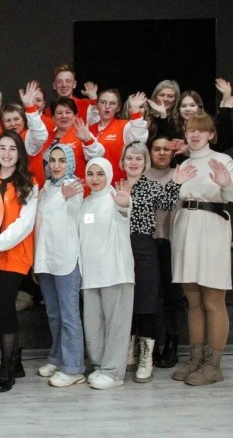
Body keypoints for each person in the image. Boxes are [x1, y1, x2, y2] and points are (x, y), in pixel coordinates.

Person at [170, 112, 233, 386]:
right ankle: (196, 359)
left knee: (213, 300)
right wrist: (175, 183)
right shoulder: (184, 163)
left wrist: (227, 184)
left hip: (211, 227)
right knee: (193, 300)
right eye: (191, 129)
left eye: (201, 130)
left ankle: (213, 365)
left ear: (211, 135)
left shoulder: (222, 160)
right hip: (185, 226)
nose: (195, 134)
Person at [119, 141, 195, 383]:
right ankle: (127, 350)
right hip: (118, 249)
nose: (133, 162)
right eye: (129, 158)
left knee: (146, 303)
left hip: (144, 248)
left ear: (145, 163)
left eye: (138, 158)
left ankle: (146, 359)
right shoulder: (115, 186)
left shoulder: (151, 186)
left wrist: (176, 183)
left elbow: (169, 203)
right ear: (122, 161)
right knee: (124, 302)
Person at [0, 131, 38, 393]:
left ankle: (6, 369)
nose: (7, 153)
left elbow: (24, 225)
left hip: (13, 254)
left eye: (13, 148)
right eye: (3, 148)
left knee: (3, 309)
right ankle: (15, 362)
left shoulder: (29, 183)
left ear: (19, 152)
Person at [33, 144, 86, 387]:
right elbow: (39, 227)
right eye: (52, 160)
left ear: (70, 163)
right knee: (53, 314)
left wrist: (68, 196)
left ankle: (73, 367)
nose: (56, 165)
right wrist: (37, 262)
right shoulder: (45, 189)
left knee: (69, 315)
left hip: (66, 260)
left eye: (62, 160)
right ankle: (57, 358)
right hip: (46, 261)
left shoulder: (74, 187)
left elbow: (78, 217)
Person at [79, 158, 134, 390]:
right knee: (94, 325)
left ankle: (114, 372)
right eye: (90, 173)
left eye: (100, 174)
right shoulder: (85, 203)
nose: (95, 179)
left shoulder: (116, 197)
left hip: (115, 272)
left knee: (116, 325)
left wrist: (123, 204)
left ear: (109, 175)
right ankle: (100, 366)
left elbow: (124, 214)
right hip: (91, 275)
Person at [145, 134, 184, 368]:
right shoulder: (140, 175)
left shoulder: (181, 174)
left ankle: (172, 345)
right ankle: (151, 346)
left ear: (173, 153)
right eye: (156, 149)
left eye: (166, 149)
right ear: (149, 152)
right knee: (150, 297)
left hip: (172, 243)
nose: (161, 153)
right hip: (147, 244)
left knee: (173, 297)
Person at [89, 89, 149, 183]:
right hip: (94, 184)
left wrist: (135, 110)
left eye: (112, 103)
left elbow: (139, 141)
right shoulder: (89, 129)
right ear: (97, 105)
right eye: (103, 102)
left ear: (118, 108)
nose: (107, 107)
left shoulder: (125, 126)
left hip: (118, 184)